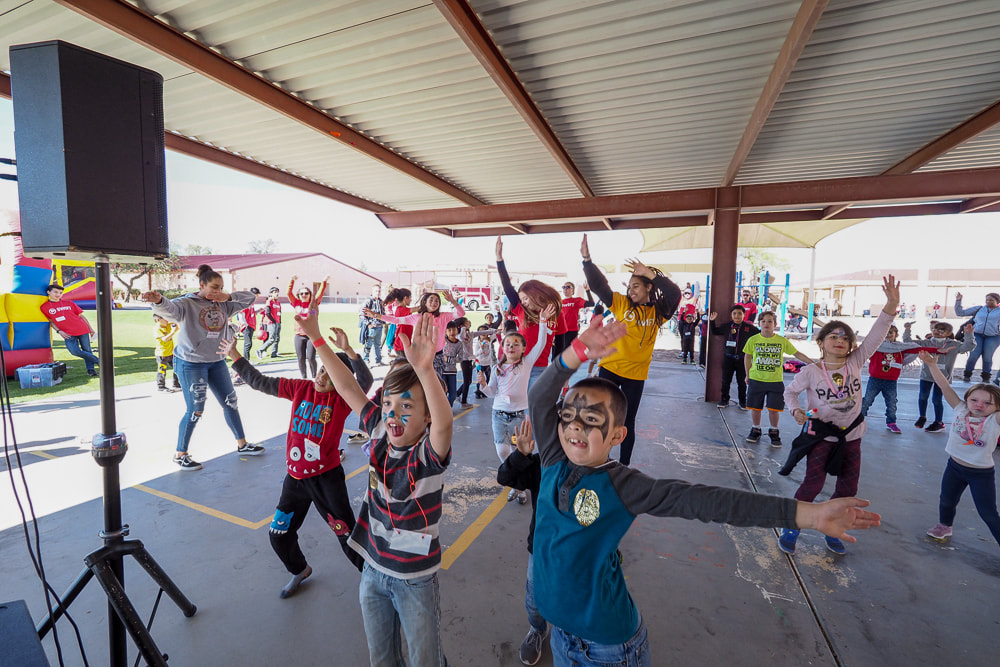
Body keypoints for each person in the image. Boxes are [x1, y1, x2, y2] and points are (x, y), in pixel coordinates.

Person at [529, 316, 882, 666]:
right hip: (561, 634)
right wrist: (576, 352)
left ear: (618, 436)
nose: (574, 425)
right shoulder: (552, 458)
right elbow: (539, 394)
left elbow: (710, 502)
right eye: (569, 416)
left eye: (591, 420)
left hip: (605, 647)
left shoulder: (625, 486)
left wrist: (810, 514)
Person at [299, 311, 454, 666]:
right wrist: (316, 337)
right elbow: (348, 386)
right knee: (381, 658)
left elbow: (444, 424)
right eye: (388, 404)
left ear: (426, 416)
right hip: (372, 569)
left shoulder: (428, 453)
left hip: (415, 578)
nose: (392, 415)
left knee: (424, 660)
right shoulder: (379, 432)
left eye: (406, 407)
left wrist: (426, 370)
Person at [224, 328, 372, 597]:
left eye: (330, 373)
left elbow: (364, 380)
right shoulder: (300, 388)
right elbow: (259, 381)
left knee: (347, 535)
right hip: (294, 481)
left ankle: (376, 582)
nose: (321, 376)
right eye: (321, 369)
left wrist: (350, 352)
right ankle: (299, 570)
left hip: (326, 480)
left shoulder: (342, 399)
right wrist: (235, 355)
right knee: (278, 534)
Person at [781, 275, 899, 555]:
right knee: (812, 484)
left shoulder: (857, 361)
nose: (840, 340)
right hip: (821, 437)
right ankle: (792, 525)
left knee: (847, 489)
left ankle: (834, 528)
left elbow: (877, 333)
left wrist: (891, 305)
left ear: (851, 346)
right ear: (821, 342)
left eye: (845, 338)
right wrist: (796, 411)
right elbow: (789, 393)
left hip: (852, 438)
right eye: (833, 336)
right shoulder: (810, 371)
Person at [142, 264, 264, 470]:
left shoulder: (224, 304)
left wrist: (229, 296)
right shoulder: (186, 303)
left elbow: (250, 299)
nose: (217, 291)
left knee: (230, 402)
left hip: (216, 361)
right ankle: (180, 454)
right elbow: (170, 310)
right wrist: (158, 301)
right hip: (191, 363)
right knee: (195, 409)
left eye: (221, 287)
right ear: (201, 285)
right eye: (214, 287)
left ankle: (242, 445)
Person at [581, 235, 681, 465]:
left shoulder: (658, 312)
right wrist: (587, 260)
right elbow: (599, 286)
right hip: (610, 369)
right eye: (629, 287)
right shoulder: (621, 304)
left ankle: (624, 466)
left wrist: (650, 273)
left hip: (636, 376)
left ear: (649, 287)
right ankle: (598, 459)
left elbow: (674, 294)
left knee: (627, 422)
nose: (631, 291)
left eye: (636, 286)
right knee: (602, 418)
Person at [918, 352, 1000, 548]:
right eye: (974, 400)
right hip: (954, 466)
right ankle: (945, 525)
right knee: (946, 500)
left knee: (987, 512)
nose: (979, 405)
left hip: (980, 473)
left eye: (987, 402)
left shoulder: (994, 419)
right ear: (967, 400)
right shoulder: (960, 409)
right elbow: (944, 385)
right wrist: (931, 365)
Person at [479, 305, 555, 502]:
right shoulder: (497, 367)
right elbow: (490, 394)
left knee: (518, 450)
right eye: (508, 344)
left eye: (516, 344)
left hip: (520, 415)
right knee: (502, 450)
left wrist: (544, 321)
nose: (511, 346)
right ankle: (518, 482)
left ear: (522, 349)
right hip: (498, 414)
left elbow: (540, 343)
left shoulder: (526, 363)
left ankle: (519, 487)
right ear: (503, 347)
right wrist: (483, 385)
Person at [496, 418, 547, 665]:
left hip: (578, 556)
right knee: (534, 601)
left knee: (573, 601)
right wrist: (521, 454)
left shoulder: (596, 471)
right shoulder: (539, 465)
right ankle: (537, 630)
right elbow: (504, 477)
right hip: (539, 549)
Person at [495, 236, 564, 385]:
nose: (523, 303)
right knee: (520, 404)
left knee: (535, 405)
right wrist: (499, 259)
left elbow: (560, 342)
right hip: (520, 364)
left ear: (536, 294)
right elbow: (507, 286)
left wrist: (558, 367)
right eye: (521, 299)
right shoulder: (521, 311)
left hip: (541, 368)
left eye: (525, 298)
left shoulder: (556, 313)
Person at [743, 311, 813, 446]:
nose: (766, 324)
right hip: (756, 379)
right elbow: (747, 357)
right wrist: (747, 374)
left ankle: (774, 431)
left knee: (774, 409)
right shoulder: (753, 340)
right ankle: (755, 429)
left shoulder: (781, 341)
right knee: (755, 408)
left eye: (770, 321)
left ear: (775, 324)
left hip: (775, 381)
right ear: (759, 324)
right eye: (763, 321)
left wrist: (813, 363)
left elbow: (796, 353)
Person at [860, 325, 940, 433]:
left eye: (890, 332)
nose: (887, 335)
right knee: (867, 400)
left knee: (892, 403)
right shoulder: (876, 347)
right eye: (885, 333)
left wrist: (939, 350)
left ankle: (891, 422)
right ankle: (857, 420)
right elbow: (864, 349)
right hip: (875, 379)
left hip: (891, 381)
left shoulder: (900, 348)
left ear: (896, 334)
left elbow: (917, 349)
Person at [905, 321, 975, 432]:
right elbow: (908, 342)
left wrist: (969, 334)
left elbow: (969, 347)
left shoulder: (954, 344)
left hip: (943, 377)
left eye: (941, 330)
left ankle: (939, 422)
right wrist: (907, 330)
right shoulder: (926, 342)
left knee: (937, 399)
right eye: (934, 329)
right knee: (923, 396)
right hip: (926, 375)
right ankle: (922, 417)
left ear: (948, 333)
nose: (937, 332)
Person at [367, 290, 465, 354]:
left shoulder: (443, 316)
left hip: (438, 354)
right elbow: (396, 320)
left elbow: (461, 313)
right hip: (421, 354)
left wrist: (453, 301)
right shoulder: (416, 317)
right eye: (431, 300)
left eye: (437, 301)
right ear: (425, 302)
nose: (434, 303)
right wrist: (376, 315)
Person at [40, 283, 99, 377]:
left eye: (60, 293)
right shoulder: (44, 307)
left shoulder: (69, 303)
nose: (58, 294)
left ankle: (91, 370)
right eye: (55, 292)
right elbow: (51, 322)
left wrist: (90, 329)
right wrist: (59, 331)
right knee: (74, 351)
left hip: (82, 329)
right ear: (48, 292)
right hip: (67, 333)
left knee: (87, 350)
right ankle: (100, 361)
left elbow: (81, 316)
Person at [709, 305, 759, 409]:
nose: (737, 316)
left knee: (742, 382)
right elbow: (715, 332)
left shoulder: (749, 328)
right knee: (726, 381)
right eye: (734, 313)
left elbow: (760, 335)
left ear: (744, 315)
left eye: (740, 313)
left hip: (742, 359)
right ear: (731, 315)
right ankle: (724, 400)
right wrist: (712, 321)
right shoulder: (727, 326)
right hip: (728, 359)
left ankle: (743, 402)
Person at [288, 275, 329, 379]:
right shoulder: (296, 303)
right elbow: (288, 293)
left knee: (310, 357)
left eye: (306, 293)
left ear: (310, 294)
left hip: (311, 335)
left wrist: (324, 281)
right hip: (299, 335)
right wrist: (292, 280)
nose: (304, 295)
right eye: (301, 293)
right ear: (299, 295)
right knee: (301, 358)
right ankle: (304, 378)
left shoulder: (314, 303)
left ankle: (314, 376)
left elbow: (321, 292)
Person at [955, 291, 1000, 383]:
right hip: (977, 334)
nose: (988, 302)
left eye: (991, 300)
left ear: (997, 301)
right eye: (987, 300)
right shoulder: (979, 309)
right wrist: (958, 301)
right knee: (974, 355)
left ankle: (986, 377)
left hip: (994, 336)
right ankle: (967, 374)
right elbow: (960, 313)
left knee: (987, 357)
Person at [551, 282, 593, 360]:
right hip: (560, 331)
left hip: (571, 332)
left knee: (568, 355)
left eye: (568, 287)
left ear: (572, 290)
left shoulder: (576, 300)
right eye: (563, 287)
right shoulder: (559, 302)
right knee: (555, 356)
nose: (565, 289)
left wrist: (587, 290)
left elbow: (591, 303)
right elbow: (554, 317)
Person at [435, 320, 464, 407]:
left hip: (452, 372)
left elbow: (460, 358)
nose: (452, 332)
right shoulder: (441, 340)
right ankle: (442, 410)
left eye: (454, 330)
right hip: (441, 371)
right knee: (442, 393)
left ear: (457, 331)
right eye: (449, 330)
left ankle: (447, 408)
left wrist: (448, 359)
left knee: (453, 395)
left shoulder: (459, 344)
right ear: (445, 331)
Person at [153, 315, 181, 393]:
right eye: (165, 318)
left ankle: (176, 384)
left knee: (177, 368)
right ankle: (161, 386)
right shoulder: (157, 329)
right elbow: (165, 339)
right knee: (162, 371)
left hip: (171, 353)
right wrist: (173, 332)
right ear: (158, 320)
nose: (167, 320)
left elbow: (177, 324)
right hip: (162, 354)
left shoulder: (168, 325)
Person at [360, 284, 385, 365]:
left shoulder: (380, 301)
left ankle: (378, 360)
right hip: (372, 327)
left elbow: (382, 313)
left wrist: (383, 322)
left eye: (379, 291)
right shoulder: (368, 301)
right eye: (376, 291)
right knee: (368, 344)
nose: (377, 292)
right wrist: (368, 324)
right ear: (372, 291)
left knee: (377, 344)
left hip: (379, 326)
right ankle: (366, 360)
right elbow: (361, 314)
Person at [257, 286, 283, 358]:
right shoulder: (269, 301)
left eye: (277, 292)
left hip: (278, 323)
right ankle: (260, 350)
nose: (277, 294)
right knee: (272, 339)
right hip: (272, 323)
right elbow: (267, 313)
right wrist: (273, 321)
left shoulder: (278, 302)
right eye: (275, 292)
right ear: (271, 294)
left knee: (277, 338)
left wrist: (279, 322)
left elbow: (279, 313)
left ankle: (274, 353)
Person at [238, 287, 261, 359]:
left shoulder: (252, 302)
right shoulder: (245, 302)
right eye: (256, 295)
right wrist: (244, 323)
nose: (256, 297)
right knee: (248, 343)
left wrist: (258, 311)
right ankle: (246, 360)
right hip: (247, 325)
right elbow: (241, 313)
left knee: (249, 344)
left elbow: (251, 313)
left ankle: (247, 359)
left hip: (251, 325)